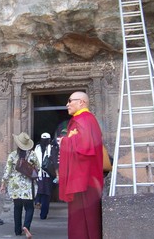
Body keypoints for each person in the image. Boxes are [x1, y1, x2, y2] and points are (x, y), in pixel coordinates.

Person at [58, 91, 103, 239]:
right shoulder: (86, 119)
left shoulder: (83, 119)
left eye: (70, 101)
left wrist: (64, 142)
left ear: (81, 102)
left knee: (83, 218)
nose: (67, 104)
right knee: (85, 217)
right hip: (86, 177)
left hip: (84, 179)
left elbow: (85, 147)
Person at [0, 132, 39, 236]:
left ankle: (17, 230)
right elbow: (37, 168)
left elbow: (7, 171)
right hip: (27, 187)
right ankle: (26, 226)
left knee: (17, 207)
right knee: (29, 207)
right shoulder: (32, 155)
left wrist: (3, 184)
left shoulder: (12, 155)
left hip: (15, 186)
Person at [34, 132, 56, 220]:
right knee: (45, 194)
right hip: (43, 174)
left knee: (42, 192)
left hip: (46, 173)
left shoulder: (39, 147)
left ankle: (40, 207)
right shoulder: (39, 148)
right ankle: (42, 212)